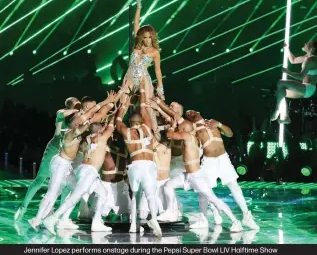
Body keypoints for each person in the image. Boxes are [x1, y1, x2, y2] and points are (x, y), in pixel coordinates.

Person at [28, 93, 118, 230]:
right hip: (60, 164)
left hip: (67, 166)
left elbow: (92, 117)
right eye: (78, 118)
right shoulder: (71, 131)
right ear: (74, 121)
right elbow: (89, 118)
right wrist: (107, 104)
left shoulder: (76, 128)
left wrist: (111, 105)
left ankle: (58, 218)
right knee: (53, 192)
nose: (81, 119)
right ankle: (38, 219)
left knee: (72, 188)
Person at [157, 120, 243, 232]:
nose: (178, 129)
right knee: (168, 185)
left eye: (180, 128)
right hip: (188, 175)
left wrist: (172, 126)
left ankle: (235, 221)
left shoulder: (188, 136)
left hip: (196, 177)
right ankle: (170, 212)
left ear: (184, 130)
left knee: (213, 199)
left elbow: (169, 135)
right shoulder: (191, 138)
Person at [185, 110, 259, 230]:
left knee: (234, 186)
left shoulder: (212, 122)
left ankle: (247, 217)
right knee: (204, 191)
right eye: (188, 114)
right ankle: (204, 218)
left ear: (198, 112)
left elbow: (230, 134)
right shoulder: (193, 129)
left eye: (192, 112)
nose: (190, 113)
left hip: (223, 159)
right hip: (209, 162)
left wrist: (219, 124)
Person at [42, 118, 116, 235]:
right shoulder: (101, 138)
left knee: (103, 193)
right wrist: (120, 109)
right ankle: (52, 219)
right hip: (89, 172)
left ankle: (96, 223)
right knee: (74, 197)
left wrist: (103, 124)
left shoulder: (87, 139)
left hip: (86, 170)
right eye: (102, 129)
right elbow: (111, 127)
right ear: (99, 131)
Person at [14, 97, 80, 221]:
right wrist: (77, 111)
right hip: (53, 151)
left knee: (64, 184)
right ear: (70, 106)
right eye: (77, 105)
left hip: (65, 154)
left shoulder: (77, 118)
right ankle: (23, 207)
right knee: (40, 180)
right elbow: (61, 113)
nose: (79, 107)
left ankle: (53, 212)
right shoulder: (62, 114)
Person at [116, 79, 162, 237]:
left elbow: (118, 120)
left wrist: (124, 103)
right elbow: (144, 108)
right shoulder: (147, 128)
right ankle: (154, 219)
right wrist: (143, 89)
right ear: (141, 121)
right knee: (150, 195)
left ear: (130, 122)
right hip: (148, 165)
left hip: (134, 167)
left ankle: (133, 224)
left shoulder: (126, 131)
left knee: (134, 194)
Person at [122, 0, 164, 131]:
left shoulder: (155, 52)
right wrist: (139, 7)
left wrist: (160, 88)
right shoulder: (137, 45)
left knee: (146, 106)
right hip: (129, 77)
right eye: (145, 37)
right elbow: (136, 23)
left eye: (149, 37)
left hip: (143, 79)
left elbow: (158, 70)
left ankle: (153, 133)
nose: (147, 40)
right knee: (123, 104)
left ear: (153, 37)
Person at [271, 41, 317, 124]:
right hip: (305, 87)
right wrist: (287, 49)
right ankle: (285, 117)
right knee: (280, 92)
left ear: (312, 48)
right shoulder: (307, 57)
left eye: (308, 43)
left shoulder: (312, 60)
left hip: (308, 88)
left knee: (280, 83)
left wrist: (287, 72)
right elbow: (293, 60)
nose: (305, 43)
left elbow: (300, 76)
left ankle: (277, 110)